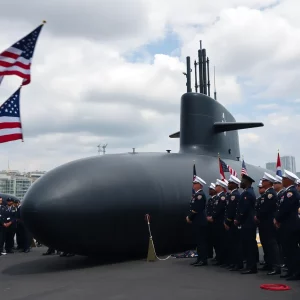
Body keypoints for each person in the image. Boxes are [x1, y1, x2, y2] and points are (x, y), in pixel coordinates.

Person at [274, 170, 300, 280]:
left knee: (292, 250)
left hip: (290, 226)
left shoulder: (291, 192)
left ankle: (296, 272)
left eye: (284, 179)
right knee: (287, 250)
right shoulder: (287, 192)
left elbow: (285, 208)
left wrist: (277, 219)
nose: (282, 181)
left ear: (289, 180)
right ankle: (290, 270)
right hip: (286, 225)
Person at [235, 174, 257, 274]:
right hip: (247, 223)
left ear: (247, 182)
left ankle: (251, 267)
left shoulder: (247, 193)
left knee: (249, 246)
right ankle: (250, 266)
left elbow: (244, 209)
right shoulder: (247, 192)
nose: (240, 183)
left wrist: (238, 219)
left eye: (242, 181)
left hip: (248, 223)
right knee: (248, 245)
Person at [187, 175, 208, 266]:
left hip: (200, 221)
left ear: (200, 185)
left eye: (195, 184)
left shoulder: (200, 195)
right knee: (198, 242)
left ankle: (203, 260)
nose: (194, 185)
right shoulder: (196, 195)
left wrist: (189, 217)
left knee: (201, 242)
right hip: (197, 221)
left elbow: (196, 209)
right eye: (194, 184)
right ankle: (199, 259)